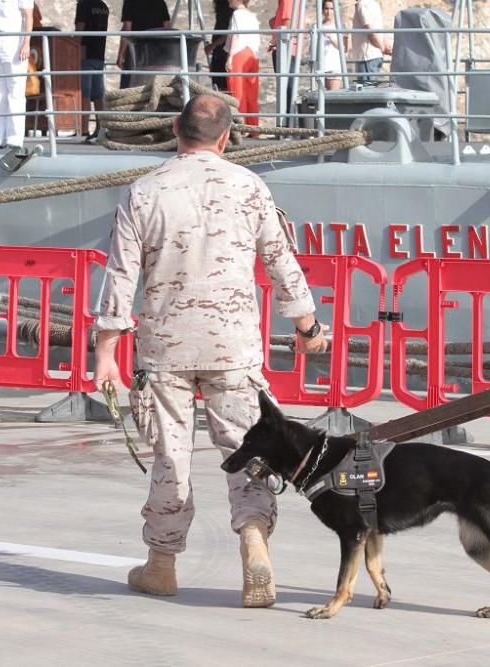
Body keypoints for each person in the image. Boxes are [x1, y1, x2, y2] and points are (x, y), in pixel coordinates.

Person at [93, 95, 328, 606]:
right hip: (233, 347)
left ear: (175, 129)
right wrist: (309, 327)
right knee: (249, 450)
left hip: (165, 349)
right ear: (226, 137)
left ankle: (160, 566)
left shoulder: (144, 191)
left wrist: (106, 354)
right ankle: (254, 543)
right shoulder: (250, 187)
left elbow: (120, 276)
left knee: (169, 457)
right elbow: (281, 262)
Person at [0, 0, 34, 149]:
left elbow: (28, 16)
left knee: (15, 91)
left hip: (13, 40)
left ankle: (14, 138)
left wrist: (26, 43)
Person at [75, 0, 110, 141]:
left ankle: (83, 130)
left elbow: (80, 29)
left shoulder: (83, 4)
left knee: (84, 93)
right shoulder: (103, 6)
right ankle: (100, 129)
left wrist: (74, 48)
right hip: (99, 54)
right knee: (98, 95)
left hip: (85, 53)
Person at [116, 0, 171, 90]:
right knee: (155, 86)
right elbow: (167, 27)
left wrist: (121, 55)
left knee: (128, 86)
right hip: (157, 52)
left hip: (135, 51)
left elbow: (127, 28)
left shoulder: (130, 2)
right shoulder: (160, 2)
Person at [226, 0, 261, 130]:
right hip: (253, 54)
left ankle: (240, 127)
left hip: (239, 52)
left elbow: (236, 35)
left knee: (237, 91)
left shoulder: (237, 14)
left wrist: (230, 57)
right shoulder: (252, 15)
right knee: (251, 92)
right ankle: (253, 127)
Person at [350, 0, 391, 85]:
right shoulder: (373, 4)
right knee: (369, 89)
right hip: (371, 56)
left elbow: (369, 29)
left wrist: (382, 47)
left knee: (366, 90)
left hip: (367, 57)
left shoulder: (363, 4)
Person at [314, 0, 349, 91]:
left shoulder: (340, 26)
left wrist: (331, 38)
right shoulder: (317, 26)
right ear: (322, 10)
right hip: (321, 66)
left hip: (334, 66)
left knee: (333, 95)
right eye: (326, 8)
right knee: (322, 98)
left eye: (331, 9)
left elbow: (345, 48)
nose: (329, 12)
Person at [205, 0, 233, 92]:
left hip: (224, 51)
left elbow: (229, 34)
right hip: (219, 50)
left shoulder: (228, 9)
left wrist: (213, 45)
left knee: (222, 84)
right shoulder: (223, 9)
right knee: (219, 83)